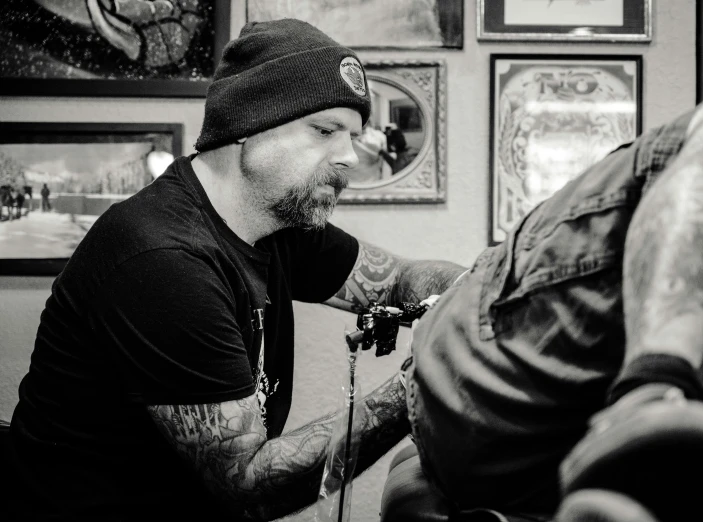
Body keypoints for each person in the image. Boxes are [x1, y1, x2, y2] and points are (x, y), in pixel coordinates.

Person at [7, 19, 465, 522]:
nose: (349, 158)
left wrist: (483, 292)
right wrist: (420, 383)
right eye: (326, 130)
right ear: (248, 124)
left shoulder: (277, 220)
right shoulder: (162, 260)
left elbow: (399, 279)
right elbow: (249, 486)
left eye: (353, 135)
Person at [390, 86, 703, 522]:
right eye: (327, 129)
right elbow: (403, 284)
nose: (349, 154)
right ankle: (648, 398)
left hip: (529, 460)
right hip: (503, 380)